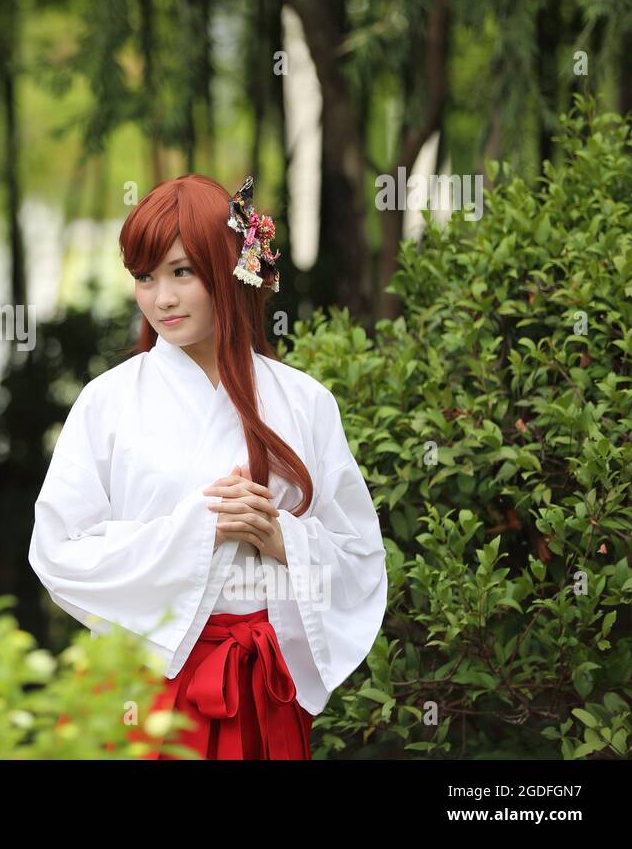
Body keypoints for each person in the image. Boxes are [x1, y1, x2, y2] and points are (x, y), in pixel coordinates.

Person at [29, 173, 387, 759]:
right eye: (145, 277)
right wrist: (200, 529)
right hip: (144, 683)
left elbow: (360, 560)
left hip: (263, 691)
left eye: (182, 272)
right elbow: (58, 551)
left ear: (230, 268)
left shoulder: (304, 402)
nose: (161, 298)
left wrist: (282, 539)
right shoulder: (109, 402)